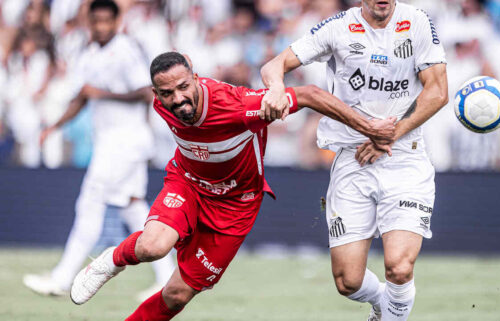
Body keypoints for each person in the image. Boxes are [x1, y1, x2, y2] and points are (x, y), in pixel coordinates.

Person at [69, 51, 396, 320]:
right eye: (167, 93)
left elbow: (309, 94)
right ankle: (110, 261)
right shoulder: (162, 105)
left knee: (176, 294)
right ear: (156, 94)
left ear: (195, 77)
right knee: (153, 246)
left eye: (183, 87)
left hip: (235, 206)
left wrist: (368, 127)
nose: (178, 99)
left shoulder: (238, 107)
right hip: (188, 185)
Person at [260, 1, 449, 320]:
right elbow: (273, 66)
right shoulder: (337, 27)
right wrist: (277, 87)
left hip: (405, 157)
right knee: (347, 281)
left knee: (399, 268)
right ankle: (383, 305)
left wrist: (389, 135)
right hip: (353, 160)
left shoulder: (416, 22)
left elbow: (438, 91)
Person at [23, 0, 175, 301]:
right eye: (97, 21)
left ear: (117, 22)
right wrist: (53, 126)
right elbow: (82, 96)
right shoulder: (88, 52)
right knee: (132, 205)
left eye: (108, 21)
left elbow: (146, 93)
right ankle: (167, 277)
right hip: (112, 141)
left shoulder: (126, 50)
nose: (102, 26)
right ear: (90, 22)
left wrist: (102, 94)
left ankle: (63, 278)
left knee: (90, 201)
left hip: (126, 140)